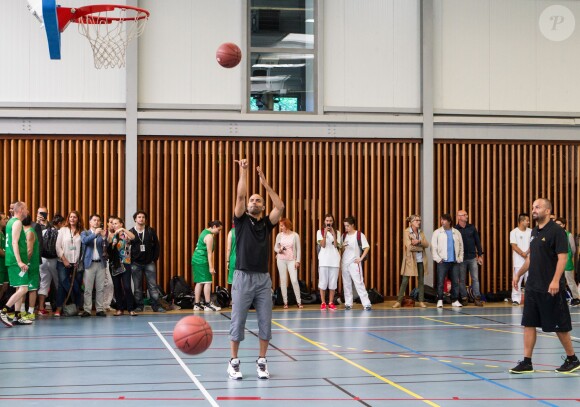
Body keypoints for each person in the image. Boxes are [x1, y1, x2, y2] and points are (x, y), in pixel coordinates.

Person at [227, 159, 284, 381]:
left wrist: (266, 185)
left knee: (265, 322)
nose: (253, 202)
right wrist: (244, 171)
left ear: (261, 206)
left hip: (263, 280)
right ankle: (233, 362)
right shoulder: (240, 221)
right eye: (252, 199)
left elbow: (280, 207)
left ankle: (261, 361)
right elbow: (240, 196)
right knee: (238, 320)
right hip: (242, 277)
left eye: (257, 200)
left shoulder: (266, 224)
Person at [510, 198, 580, 374]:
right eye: (533, 206)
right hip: (533, 286)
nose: (533, 210)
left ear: (547, 211)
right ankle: (527, 362)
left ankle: (572, 359)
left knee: (559, 325)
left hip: (551, 287)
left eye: (537, 207)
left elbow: (563, 257)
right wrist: (518, 275)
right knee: (529, 323)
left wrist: (556, 280)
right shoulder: (534, 231)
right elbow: (531, 257)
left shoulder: (557, 232)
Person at [0, 201, 33, 327]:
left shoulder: (10, 222)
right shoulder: (17, 222)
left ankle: (18, 316)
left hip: (13, 260)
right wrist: (19, 261)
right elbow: (14, 243)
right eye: (26, 209)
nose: (28, 212)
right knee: (24, 288)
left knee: (19, 288)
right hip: (16, 261)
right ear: (21, 210)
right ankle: (4, 310)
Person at [129, 211, 165, 312]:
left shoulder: (150, 231)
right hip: (135, 263)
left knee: (153, 286)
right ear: (135, 219)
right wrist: (131, 260)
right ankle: (139, 306)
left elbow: (157, 246)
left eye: (143, 217)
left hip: (149, 263)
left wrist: (154, 258)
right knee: (137, 287)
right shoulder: (130, 232)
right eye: (139, 217)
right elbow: (127, 248)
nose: (141, 219)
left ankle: (156, 306)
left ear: (145, 219)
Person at [393, 214, 429, 309]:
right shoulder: (406, 232)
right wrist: (420, 246)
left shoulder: (421, 232)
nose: (419, 222)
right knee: (405, 281)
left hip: (420, 259)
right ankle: (398, 301)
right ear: (411, 222)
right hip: (410, 260)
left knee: (421, 281)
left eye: (419, 220)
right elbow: (409, 246)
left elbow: (427, 244)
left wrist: (418, 242)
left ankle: (421, 301)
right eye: (416, 220)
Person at [54, 211, 85, 317]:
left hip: (77, 264)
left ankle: (76, 307)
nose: (72, 219)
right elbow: (58, 246)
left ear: (78, 219)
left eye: (74, 217)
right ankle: (59, 308)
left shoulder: (82, 232)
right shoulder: (63, 230)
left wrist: (78, 261)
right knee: (63, 284)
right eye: (70, 217)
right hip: (62, 262)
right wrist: (64, 260)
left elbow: (83, 249)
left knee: (76, 284)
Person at [431, 213, 464, 308]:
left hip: (454, 261)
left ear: (449, 221)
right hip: (443, 261)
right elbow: (433, 247)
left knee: (455, 282)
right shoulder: (437, 232)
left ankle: (455, 300)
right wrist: (437, 259)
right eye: (441, 220)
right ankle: (440, 300)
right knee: (440, 282)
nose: (442, 222)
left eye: (444, 220)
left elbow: (461, 246)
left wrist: (460, 258)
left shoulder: (456, 232)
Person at [80, 214, 108, 317]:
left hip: (100, 263)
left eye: (98, 220)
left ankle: (100, 309)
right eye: (94, 220)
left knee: (100, 288)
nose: (96, 222)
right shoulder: (85, 233)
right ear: (90, 222)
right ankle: (87, 310)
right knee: (88, 289)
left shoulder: (102, 234)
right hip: (89, 264)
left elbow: (106, 248)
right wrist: (95, 234)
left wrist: (105, 238)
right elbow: (85, 241)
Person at [191, 220, 223, 311]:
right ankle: (208, 304)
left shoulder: (204, 232)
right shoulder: (209, 236)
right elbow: (209, 253)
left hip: (196, 259)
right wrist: (211, 267)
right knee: (208, 281)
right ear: (214, 227)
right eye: (219, 230)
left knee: (199, 282)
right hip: (202, 260)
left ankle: (196, 304)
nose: (219, 232)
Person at [341, 216, 372, 311]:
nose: (346, 228)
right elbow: (341, 250)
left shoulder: (359, 234)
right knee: (346, 284)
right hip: (344, 263)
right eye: (345, 226)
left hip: (354, 263)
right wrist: (342, 246)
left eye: (347, 226)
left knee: (359, 283)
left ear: (352, 225)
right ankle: (348, 303)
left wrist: (361, 259)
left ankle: (366, 304)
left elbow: (367, 247)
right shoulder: (344, 236)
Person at [454, 210, 484, 306]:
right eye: (464, 215)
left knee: (475, 278)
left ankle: (477, 298)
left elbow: (477, 242)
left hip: (472, 257)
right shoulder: (455, 229)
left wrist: (480, 255)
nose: (466, 216)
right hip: (461, 258)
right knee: (461, 279)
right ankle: (464, 297)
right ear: (459, 217)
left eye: (466, 214)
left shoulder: (471, 227)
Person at [37, 214, 65, 316]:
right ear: (59, 223)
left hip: (43, 260)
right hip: (55, 260)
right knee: (59, 285)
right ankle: (59, 308)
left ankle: (40, 308)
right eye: (63, 223)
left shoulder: (44, 231)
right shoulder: (61, 232)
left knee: (44, 283)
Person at [108, 217, 136, 316]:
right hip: (114, 264)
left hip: (126, 263)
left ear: (121, 224)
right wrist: (112, 237)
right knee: (117, 287)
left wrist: (123, 230)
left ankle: (130, 308)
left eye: (116, 223)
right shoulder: (111, 235)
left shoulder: (126, 235)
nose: (114, 225)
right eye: (113, 223)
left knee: (127, 287)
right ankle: (119, 308)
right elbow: (107, 246)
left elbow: (133, 237)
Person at [274, 218, 302, 309]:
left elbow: (298, 249)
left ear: (287, 225)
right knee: (283, 280)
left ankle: (299, 301)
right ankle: (285, 302)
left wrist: (297, 261)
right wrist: (280, 250)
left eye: (282, 225)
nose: (281, 227)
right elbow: (275, 248)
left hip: (291, 260)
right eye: (280, 225)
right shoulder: (279, 235)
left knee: (294, 280)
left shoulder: (295, 235)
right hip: (281, 259)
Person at [317, 214, 342, 311]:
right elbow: (322, 245)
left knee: (333, 282)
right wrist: (325, 235)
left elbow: (336, 246)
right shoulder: (320, 232)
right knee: (323, 282)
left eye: (330, 221)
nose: (329, 222)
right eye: (327, 220)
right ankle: (323, 302)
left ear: (333, 222)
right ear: (324, 221)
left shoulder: (337, 232)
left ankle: (331, 302)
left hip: (334, 260)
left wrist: (334, 234)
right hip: (323, 260)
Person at [554, 217, 579, 306]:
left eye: (560, 224)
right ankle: (561, 298)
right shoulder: (553, 235)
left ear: (564, 225)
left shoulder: (568, 235)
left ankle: (576, 298)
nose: (558, 226)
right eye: (556, 224)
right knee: (558, 281)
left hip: (567, 262)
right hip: (556, 262)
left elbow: (573, 249)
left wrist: (568, 257)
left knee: (570, 281)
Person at [510, 213, 532, 306]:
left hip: (530, 260)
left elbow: (533, 244)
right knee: (517, 280)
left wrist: (527, 253)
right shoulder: (513, 232)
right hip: (518, 261)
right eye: (527, 220)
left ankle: (530, 299)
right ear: (521, 221)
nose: (528, 222)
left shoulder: (531, 231)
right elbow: (514, 246)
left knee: (530, 280)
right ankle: (516, 299)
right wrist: (523, 254)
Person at [22, 215, 40, 320]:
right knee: (23, 286)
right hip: (26, 263)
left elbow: (29, 251)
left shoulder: (29, 232)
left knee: (32, 288)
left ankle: (31, 312)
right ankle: (22, 311)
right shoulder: (24, 231)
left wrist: (23, 263)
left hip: (31, 264)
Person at [0, 213, 9, 308]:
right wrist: (10, 256)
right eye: (3, 219)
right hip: (0, 266)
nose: (5, 221)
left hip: (5, 265)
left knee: (4, 287)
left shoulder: (3, 232)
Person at [225, 223, 236, 288]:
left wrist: (227, 261)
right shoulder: (245, 230)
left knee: (234, 281)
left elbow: (229, 248)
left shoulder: (231, 232)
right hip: (244, 259)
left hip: (233, 259)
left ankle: (235, 298)